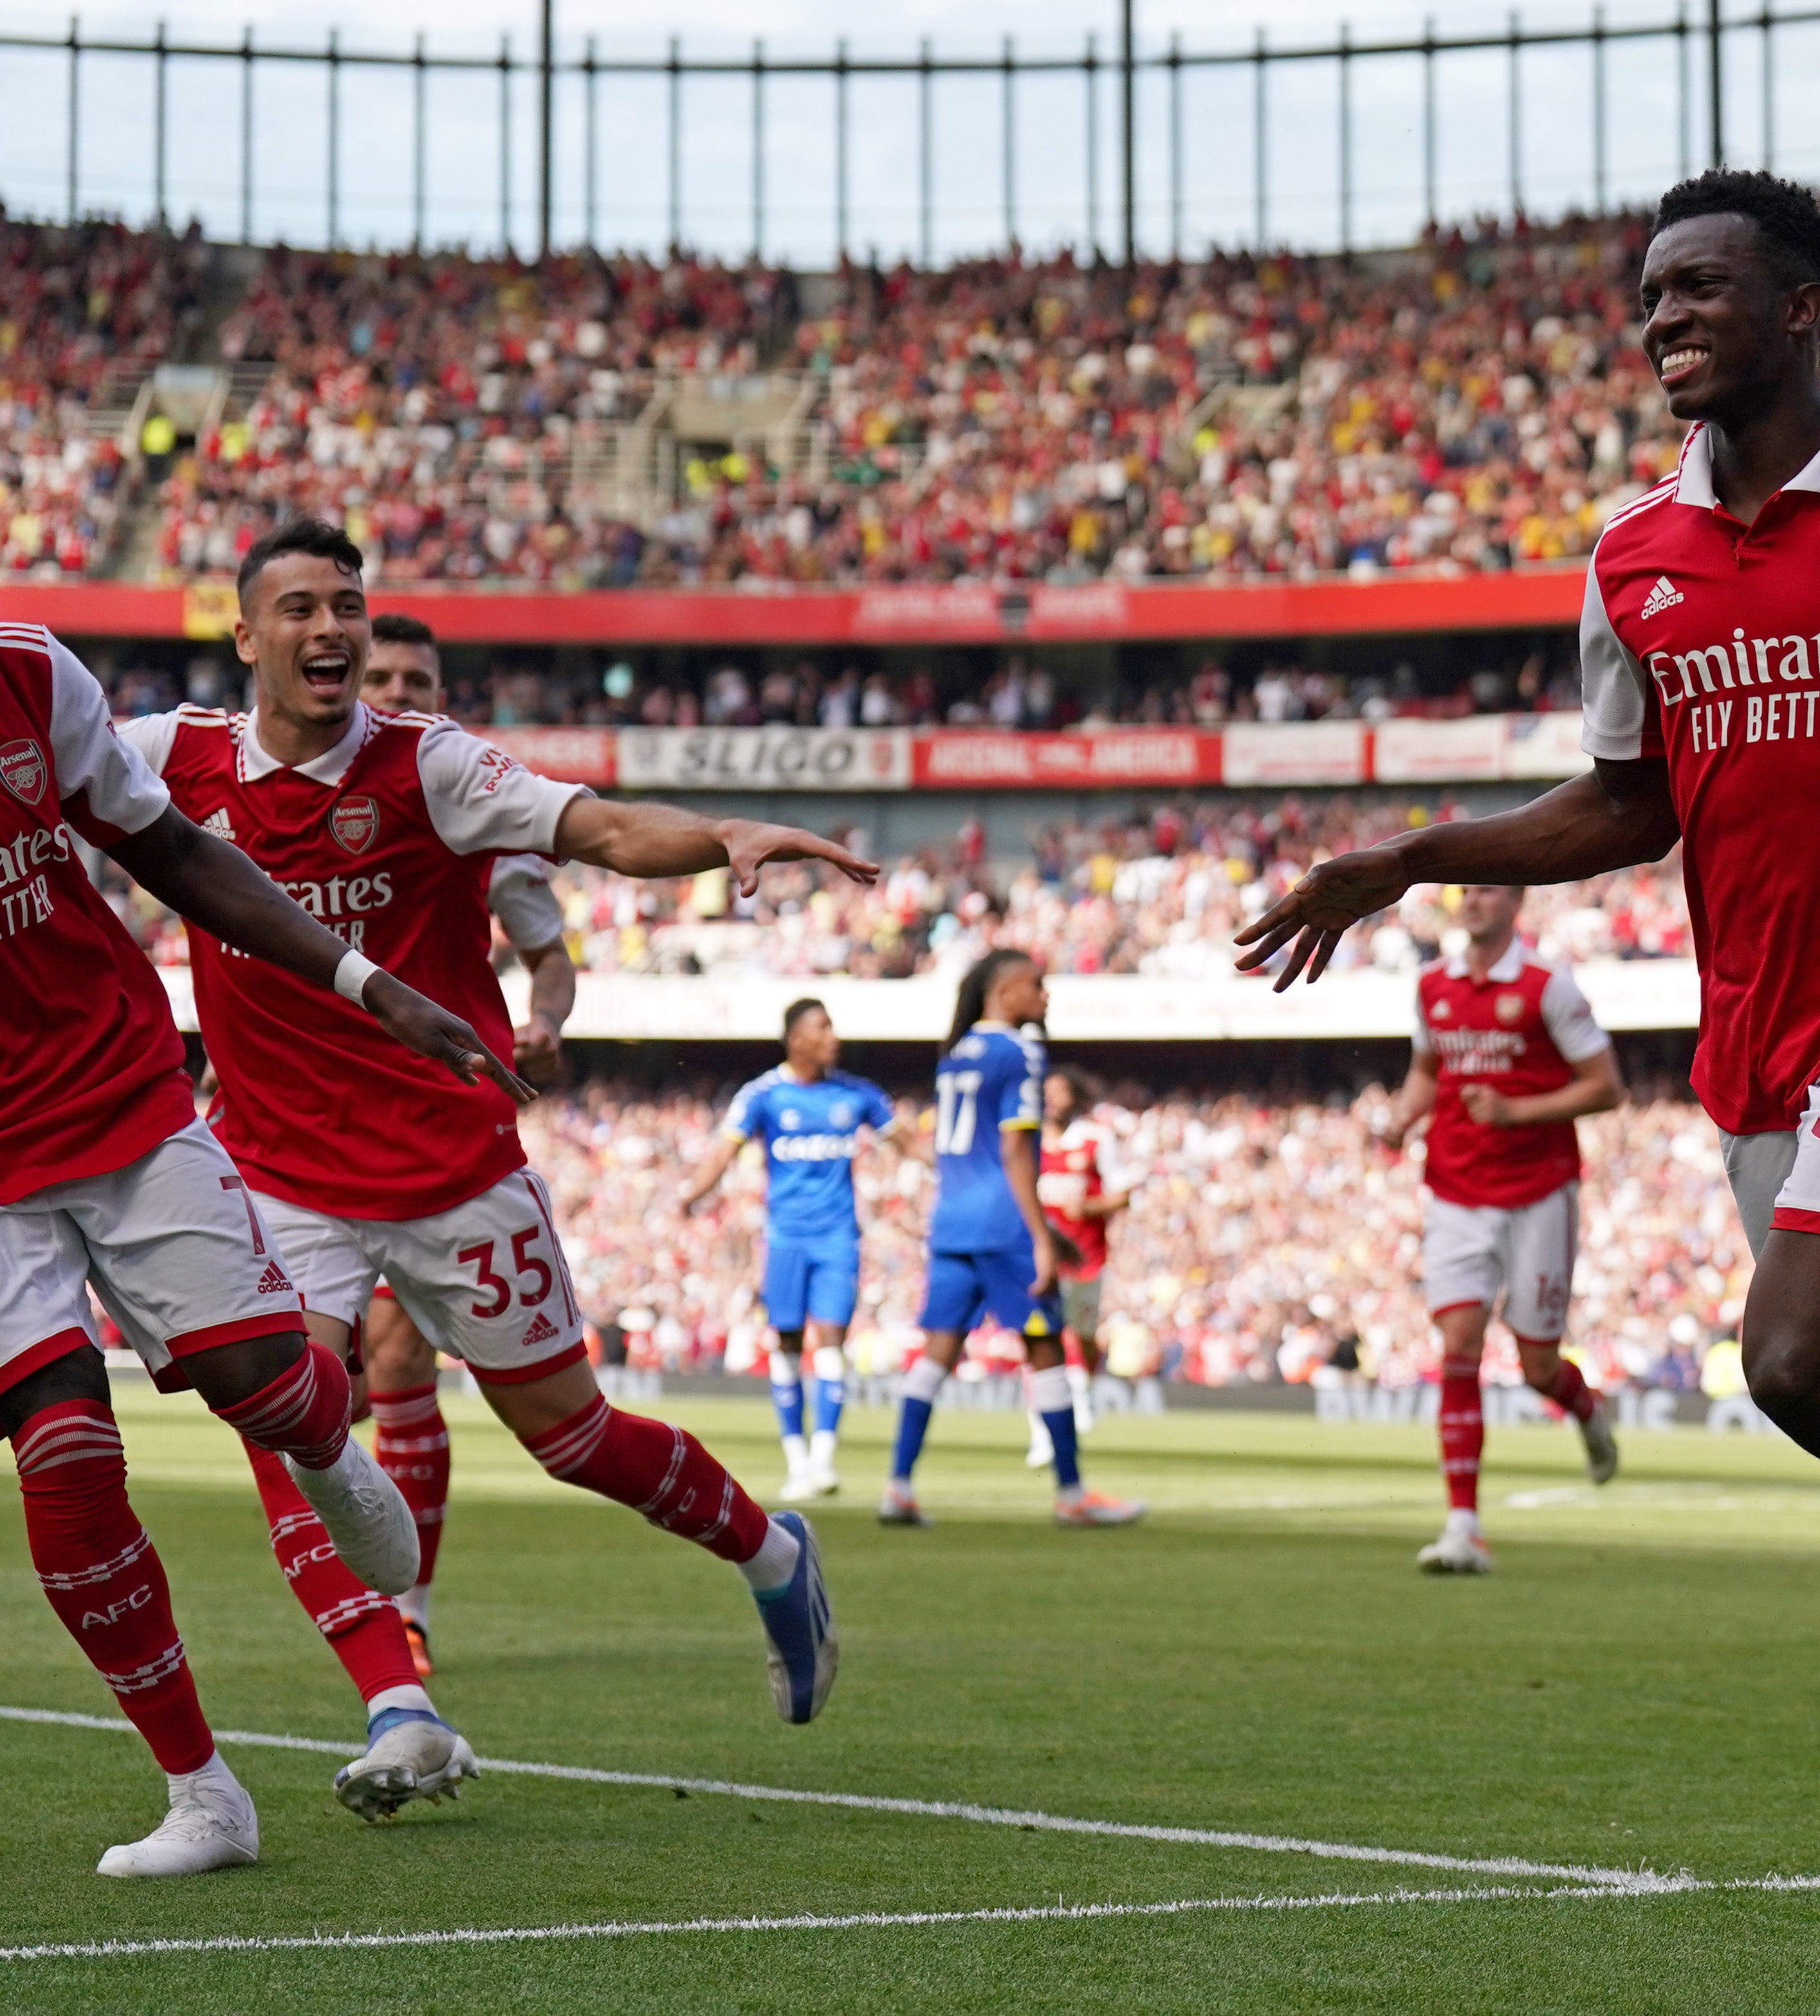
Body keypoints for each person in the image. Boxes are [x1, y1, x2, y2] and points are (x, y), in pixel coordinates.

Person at [1239, 169, 1820, 1952]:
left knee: (1794, 1358)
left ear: (1804, 306)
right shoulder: (1630, 556)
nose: (1662, 316)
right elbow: (1630, 802)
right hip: (1758, 1039)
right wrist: (1412, 856)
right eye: (1649, 294)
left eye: (1700, 288)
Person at [119, 518, 854, 1728]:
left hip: (453, 1166)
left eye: (347, 606)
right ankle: (398, 1698)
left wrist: (723, 838)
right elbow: (41, 759)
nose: (332, 630)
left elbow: (607, 831)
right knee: (289, 1403)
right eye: (301, 608)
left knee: (571, 1438)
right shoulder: (172, 756)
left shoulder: (431, 764)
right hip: (282, 1171)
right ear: (245, 635)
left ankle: (775, 1556)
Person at [3, 619, 513, 1874]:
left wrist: (371, 984)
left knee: (267, 1389)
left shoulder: (28, 671)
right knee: (62, 1447)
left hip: (122, 1096)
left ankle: (330, 1439)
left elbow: (172, 846)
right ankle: (204, 1796)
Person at [352, 610, 580, 1679]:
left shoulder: (476, 809)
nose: (399, 688)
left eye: (418, 677)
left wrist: (547, 1018)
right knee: (306, 1382)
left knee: (399, 1358)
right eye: (382, 671)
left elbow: (548, 952)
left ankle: (408, 1609)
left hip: (431, 1117)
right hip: (292, 1118)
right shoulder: (285, 785)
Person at [1377, 884, 1626, 1573]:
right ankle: (1463, 1524)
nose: (1475, 901)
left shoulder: (1551, 987)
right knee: (1458, 1340)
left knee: (1537, 1365)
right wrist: (1403, 1118)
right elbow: (1428, 1070)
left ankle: (1584, 1409)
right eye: (1469, 890)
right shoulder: (1431, 986)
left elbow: (1605, 1086)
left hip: (1538, 1189)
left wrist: (1517, 1112)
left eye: (1490, 890)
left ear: (1515, 901)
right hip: (1455, 1186)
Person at [894, 950, 1143, 1530]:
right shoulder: (1021, 1052)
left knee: (937, 1353)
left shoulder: (954, 1056)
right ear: (1006, 991)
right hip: (1002, 1226)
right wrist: (1041, 1236)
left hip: (952, 1220)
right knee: (1046, 1349)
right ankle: (1072, 1493)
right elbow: (1011, 1149)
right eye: (1037, 984)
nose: (1046, 995)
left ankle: (898, 1486)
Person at [683, 999, 902, 1502]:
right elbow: (725, 1149)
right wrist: (692, 1194)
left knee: (830, 1339)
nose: (834, 1036)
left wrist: (946, 1170)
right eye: (823, 1027)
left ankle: (823, 1460)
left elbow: (903, 1138)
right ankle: (797, 1462)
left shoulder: (856, 1094)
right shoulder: (763, 1095)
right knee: (785, 1345)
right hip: (785, 1238)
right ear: (796, 1038)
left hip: (838, 1237)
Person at [1035, 1067, 1134, 1456]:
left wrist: (1088, 1206)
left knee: (1083, 1334)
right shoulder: (1027, 1141)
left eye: (1059, 1092)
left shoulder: (1096, 1140)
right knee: (1043, 1335)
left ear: (1074, 1097)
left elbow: (1122, 1195)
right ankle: (1045, 1428)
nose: (1051, 1100)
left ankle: (1084, 1387)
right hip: (1042, 1258)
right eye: (1046, 1092)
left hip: (1086, 1257)